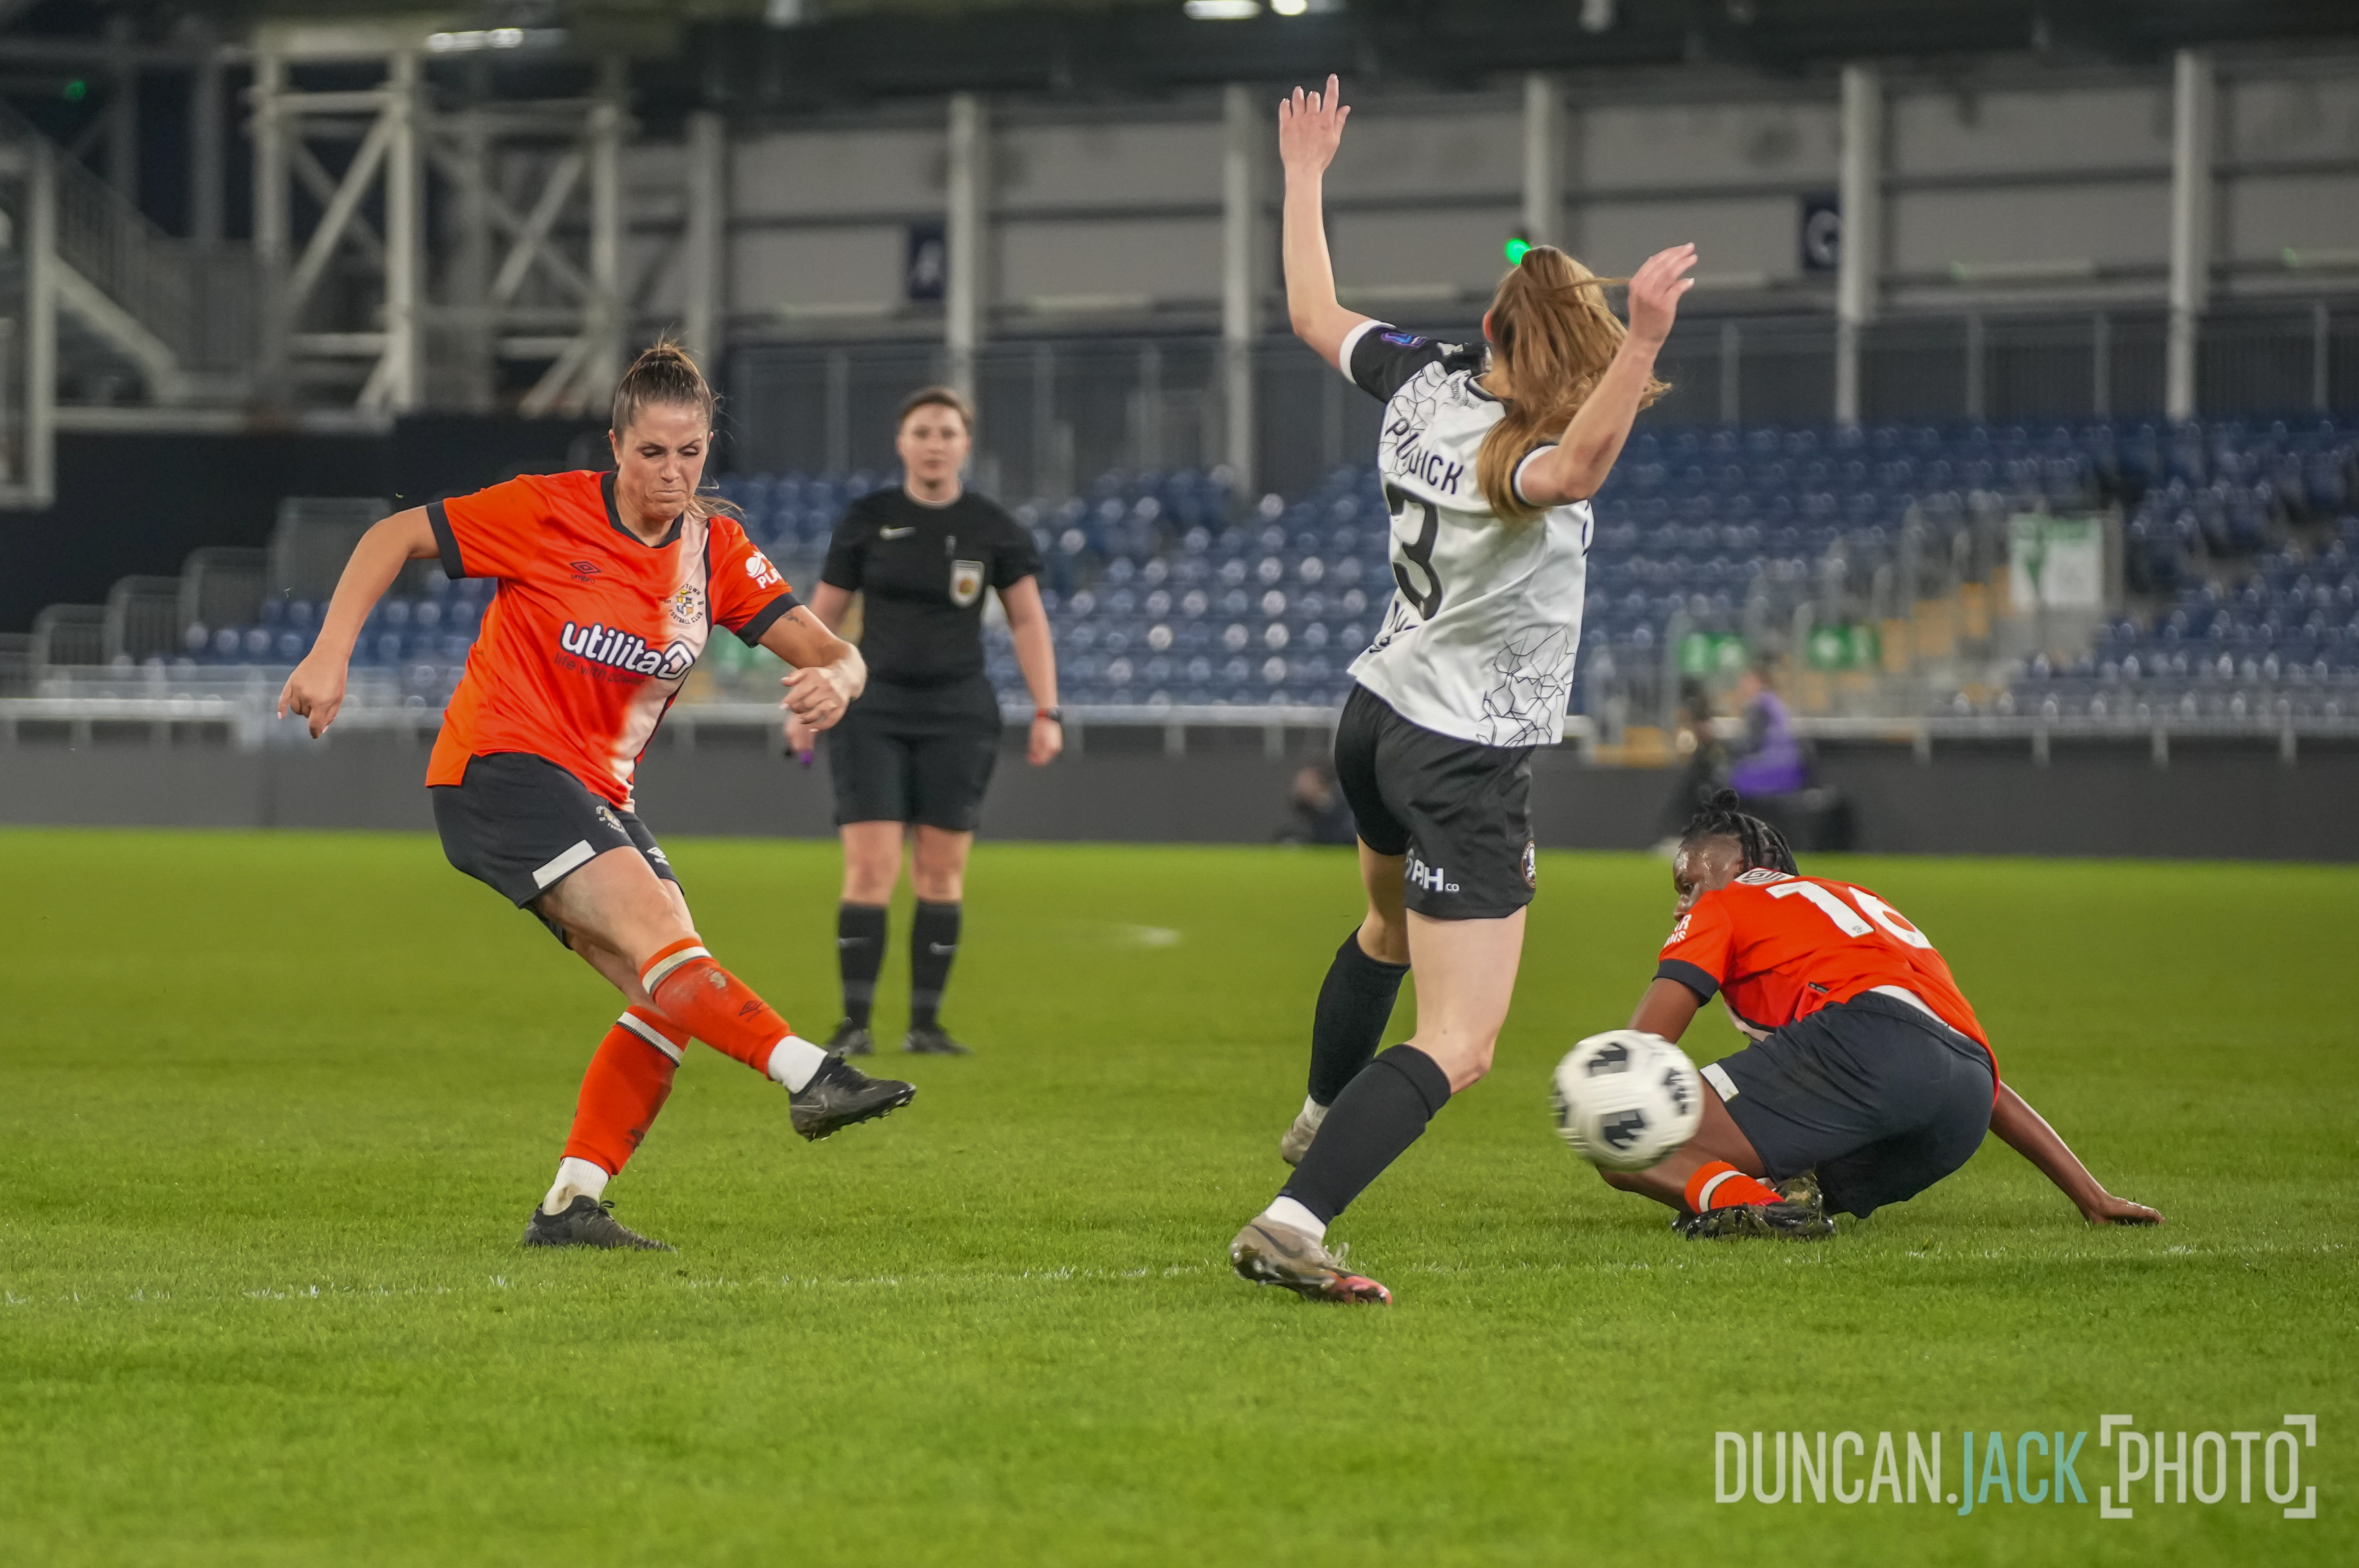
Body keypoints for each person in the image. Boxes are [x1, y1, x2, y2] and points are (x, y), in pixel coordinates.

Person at [278, 342, 919, 1253]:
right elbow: (396, 534)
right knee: (667, 945)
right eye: (652, 452)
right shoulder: (549, 510)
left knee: (669, 987)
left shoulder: (717, 550)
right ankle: (811, 1072)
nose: (672, 472)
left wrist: (842, 680)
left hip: (593, 790)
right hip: (500, 763)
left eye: (690, 451)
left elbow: (831, 648)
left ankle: (571, 1202)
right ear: (616, 444)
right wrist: (331, 651)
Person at [1226, 75, 1698, 1306]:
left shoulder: (1422, 385)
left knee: (1385, 931)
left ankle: (1321, 1110)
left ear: (1487, 330)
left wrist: (1305, 176)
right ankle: (1294, 1215)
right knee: (1462, 1041)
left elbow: (1312, 308)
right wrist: (1643, 335)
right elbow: (1582, 463)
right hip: (1462, 754)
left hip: (1375, 718)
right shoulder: (1522, 461)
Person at [1599, 790, 2163, 1235]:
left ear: (1748, 868)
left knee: (1617, 1129)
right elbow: (1975, 1071)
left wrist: (1608, 1101)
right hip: (1961, 1103)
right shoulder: (1850, 901)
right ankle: (1777, 1197)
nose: (1683, 901)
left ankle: (1754, 1205)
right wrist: (2091, 1196)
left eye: (1691, 883)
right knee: (1769, 1160)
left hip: (1868, 1047)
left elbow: (1640, 1053)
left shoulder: (1728, 904)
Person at [786, 385, 1062, 1059]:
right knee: (870, 869)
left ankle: (925, 1026)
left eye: (946, 431)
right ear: (901, 442)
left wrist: (1047, 709)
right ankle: (854, 1023)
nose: (934, 443)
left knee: (940, 874)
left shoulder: (992, 526)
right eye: (921, 431)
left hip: (959, 714)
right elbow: (817, 618)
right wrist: (800, 700)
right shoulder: (867, 518)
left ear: (965, 444)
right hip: (870, 708)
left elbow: (1027, 619)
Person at [1725, 658, 1806, 798]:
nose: (1742, 685)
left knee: (1724, 781)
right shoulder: (1773, 702)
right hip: (1790, 770)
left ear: (1759, 683)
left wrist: (1727, 751)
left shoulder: (1760, 706)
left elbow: (1749, 744)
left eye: (1747, 681)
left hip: (1772, 770)